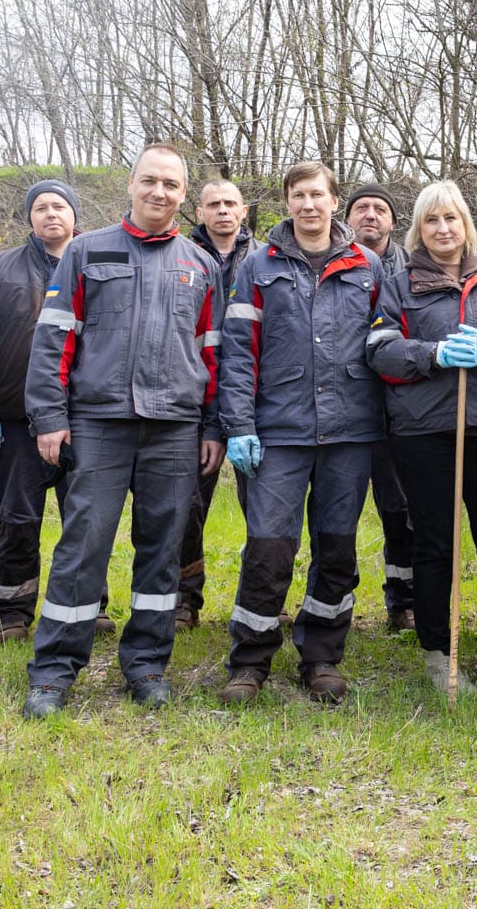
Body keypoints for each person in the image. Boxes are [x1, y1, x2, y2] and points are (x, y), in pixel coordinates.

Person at [20, 144, 226, 718]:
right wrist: (50, 417)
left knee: (161, 551)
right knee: (83, 545)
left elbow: (215, 355)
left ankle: (147, 666)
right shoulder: (86, 252)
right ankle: (54, 674)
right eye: (149, 181)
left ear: (184, 195)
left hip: (176, 428)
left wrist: (213, 425)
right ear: (130, 185)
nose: (160, 192)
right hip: (100, 422)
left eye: (171, 184)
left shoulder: (200, 265)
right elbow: (54, 339)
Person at [216, 162, 384, 705]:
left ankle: (322, 656)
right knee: (268, 546)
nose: (308, 205)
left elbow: (387, 346)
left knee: (336, 546)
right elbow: (239, 350)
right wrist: (238, 423)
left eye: (318, 194)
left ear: (335, 201)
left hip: (350, 431)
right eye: (298, 195)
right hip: (279, 430)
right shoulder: (257, 266)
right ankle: (250, 659)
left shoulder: (370, 267)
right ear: (286, 203)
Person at [367, 181, 477, 692]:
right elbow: (379, 349)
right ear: (419, 230)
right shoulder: (400, 285)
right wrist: (433, 355)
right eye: (431, 221)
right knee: (436, 545)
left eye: (451, 219)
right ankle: (438, 654)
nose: (443, 230)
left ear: (468, 225)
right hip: (424, 433)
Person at [0, 179, 114, 642]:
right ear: (29, 217)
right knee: (17, 518)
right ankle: (11, 611)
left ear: (74, 214)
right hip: (15, 419)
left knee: (84, 516)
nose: (50, 214)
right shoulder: (3, 268)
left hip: (84, 418)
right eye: (41, 207)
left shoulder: (96, 261)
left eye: (59, 206)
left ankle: (90, 604)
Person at [177, 178, 254, 629]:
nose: (222, 210)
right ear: (200, 211)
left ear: (243, 210)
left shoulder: (265, 258)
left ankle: (264, 595)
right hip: (194, 392)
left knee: (262, 507)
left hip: (251, 396)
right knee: (186, 505)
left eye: (230, 203)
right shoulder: (184, 258)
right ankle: (184, 598)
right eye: (213, 204)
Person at [347, 183, 417, 632]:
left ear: (393, 220)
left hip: (397, 410)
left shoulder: (413, 269)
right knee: (337, 512)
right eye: (361, 208)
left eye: (380, 208)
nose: (371, 214)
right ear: (347, 218)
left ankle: (403, 601)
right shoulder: (332, 261)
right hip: (344, 407)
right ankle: (333, 601)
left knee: (400, 509)